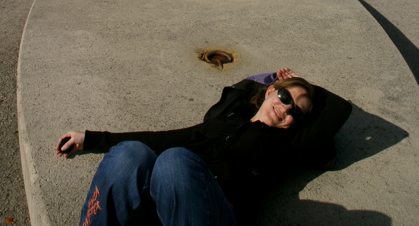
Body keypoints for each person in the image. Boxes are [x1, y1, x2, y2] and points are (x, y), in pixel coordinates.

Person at [56, 68, 351, 226]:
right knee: (132, 152)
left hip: (218, 210)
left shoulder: (288, 144)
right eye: (285, 98)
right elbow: (160, 139)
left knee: (173, 162)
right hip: (170, 198)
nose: (287, 110)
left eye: (296, 113)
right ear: (270, 91)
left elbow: (339, 110)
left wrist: (296, 82)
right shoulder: (225, 120)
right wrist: (90, 139)